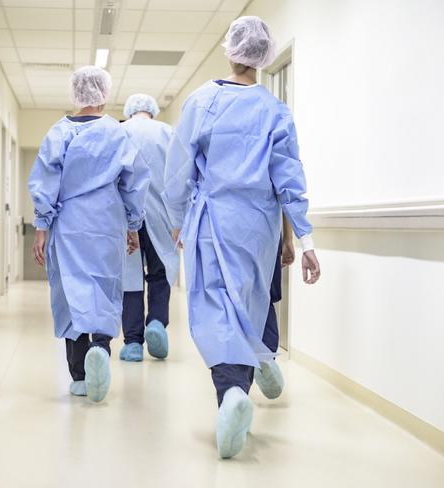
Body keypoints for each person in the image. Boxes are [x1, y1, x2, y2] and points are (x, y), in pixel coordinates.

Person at [163, 16, 321, 458]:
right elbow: (288, 180)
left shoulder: (201, 103)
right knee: (250, 310)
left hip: (212, 224)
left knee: (215, 310)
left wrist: (177, 218)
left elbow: (177, 170)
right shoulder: (275, 111)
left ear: (229, 50)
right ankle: (247, 381)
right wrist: (304, 242)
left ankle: (230, 394)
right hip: (259, 230)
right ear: (264, 57)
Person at [29, 66, 149, 403]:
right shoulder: (118, 133)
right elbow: (134, 183)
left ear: (75, 94)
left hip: (68, 223)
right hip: (106, 221)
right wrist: (133, 226)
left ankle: (80, 375)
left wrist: (41, 229)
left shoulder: (59, 133)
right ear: (105, 94)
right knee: (104, 286)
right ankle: (101, 345)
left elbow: (45, 184)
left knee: (71, 293)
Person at [119, 94, 180, 362]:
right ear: (152, 112)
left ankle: (133, 342)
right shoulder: (168, 133)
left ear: (130, 111)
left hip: (124, 217)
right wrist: (180, 222)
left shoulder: (118, 132)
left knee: (129, 279)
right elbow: (180, 177)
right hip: (161, 216)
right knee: (160, 272)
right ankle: (156, 322)